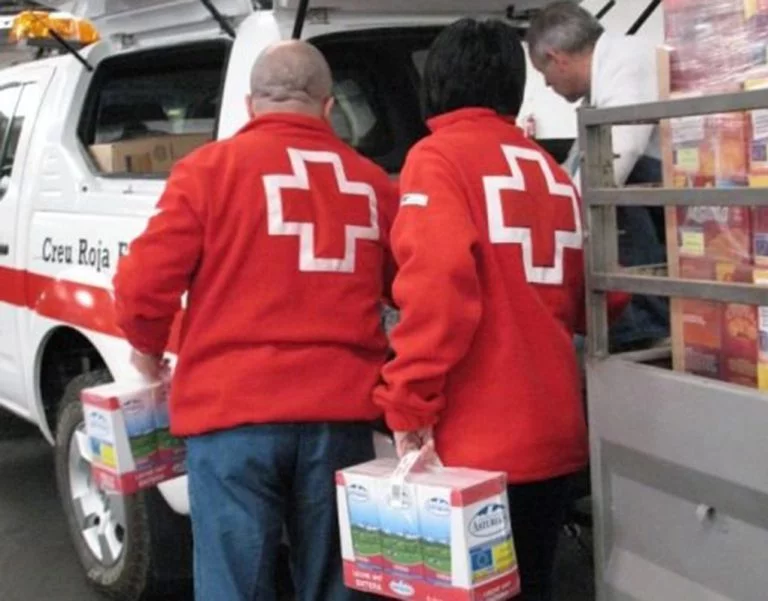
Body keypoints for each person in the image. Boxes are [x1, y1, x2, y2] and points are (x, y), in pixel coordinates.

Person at [113, 40, 398, 601]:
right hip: (338, 419)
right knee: (336, 586)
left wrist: (146, 352)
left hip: (232, 418)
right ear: (327, 105)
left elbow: (143, 287)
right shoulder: (372, 182)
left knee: (234, 586)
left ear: (249, 105)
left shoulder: (207, 172)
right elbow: (405, 290)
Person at [373, 18, 627, 601]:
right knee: (532, 583)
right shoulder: (552, 171)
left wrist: (407, 400)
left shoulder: (437, 159)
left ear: (435, 83)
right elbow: (604, 295)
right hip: (555, 432)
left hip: (474, 443)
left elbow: (436, 287)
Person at [527, 1, 669, 352]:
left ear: (557, 57)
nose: (546, 85)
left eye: (544, 72)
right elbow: (582, 155)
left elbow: (614, 157)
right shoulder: (612, 68)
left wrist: (555, 218)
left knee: (607, 192)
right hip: (666, 194)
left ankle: (640, 324)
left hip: (681, 192)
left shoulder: (627, 64)